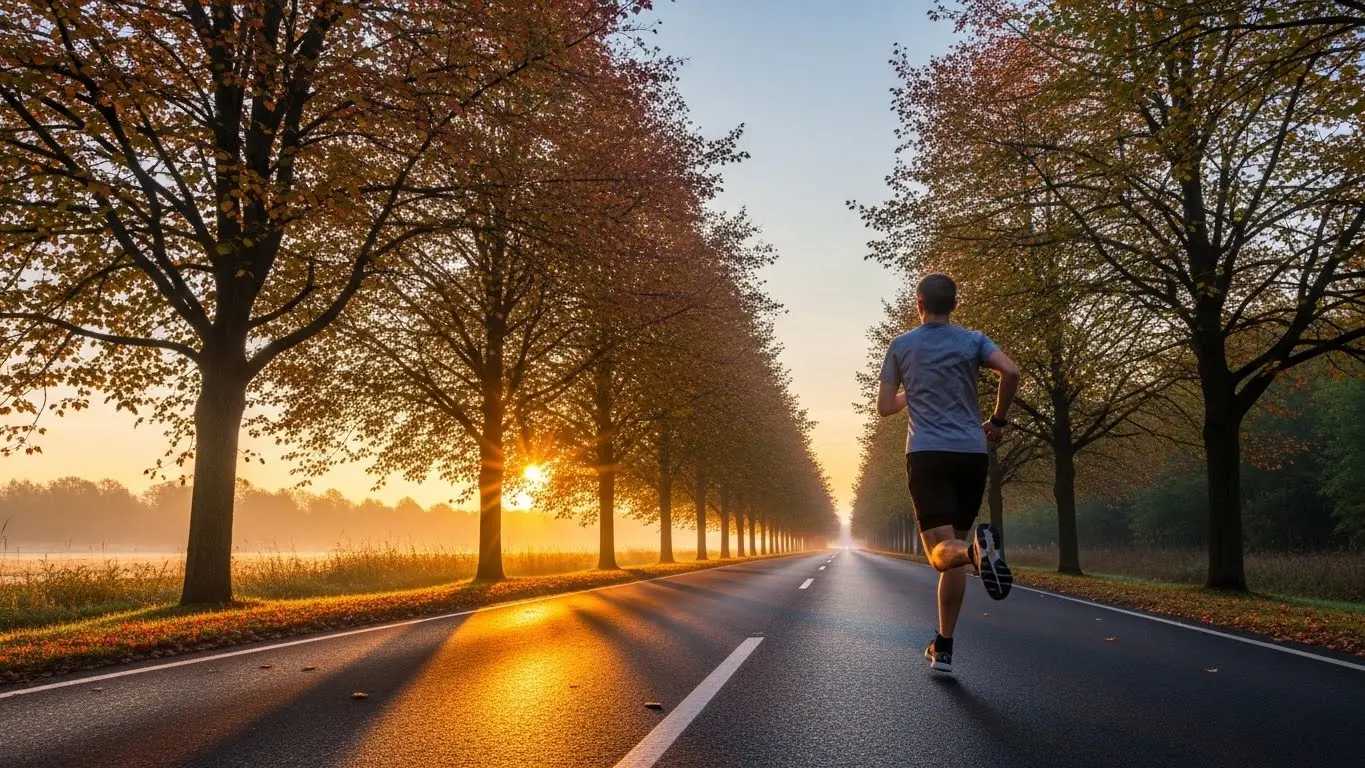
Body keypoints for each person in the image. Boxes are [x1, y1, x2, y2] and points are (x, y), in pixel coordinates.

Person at [877, 272, 1020, 674]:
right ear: (954, 304)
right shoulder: (973, 340)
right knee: (955, 547)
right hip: (972, 453)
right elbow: (1010, 373)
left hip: (927, 454)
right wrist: (998, 421)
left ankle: (978, 552)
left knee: (942, 556)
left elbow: (886, 406)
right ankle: (944, 647)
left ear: (918, 303)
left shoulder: (901, 346)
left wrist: (913, 390)